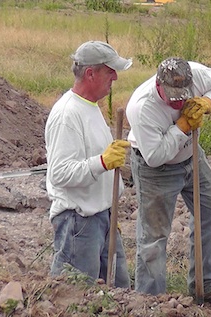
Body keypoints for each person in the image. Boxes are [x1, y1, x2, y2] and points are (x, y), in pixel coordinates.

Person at [125, 57, 211, 306]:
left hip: (191, 158)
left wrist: (208, 103)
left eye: (184, 95)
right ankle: (151, 301)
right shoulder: (142, 107)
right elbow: (155, 156)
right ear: (159, 85)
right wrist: (183, 125)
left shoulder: (196, 74)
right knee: (154, 237)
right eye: (173, 96)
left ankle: (205, 285)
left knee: (210, 214)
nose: (179, 100)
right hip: (156, 170)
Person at [45, 40, 132, 288]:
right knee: (77, 296)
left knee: (118, 294)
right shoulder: (67, 115)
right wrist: (102, 162)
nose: (115, 76)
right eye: (109, 70)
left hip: (102, 217)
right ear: (90, 73)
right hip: (79, 222)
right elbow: (59, 174)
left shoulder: (90, 107)